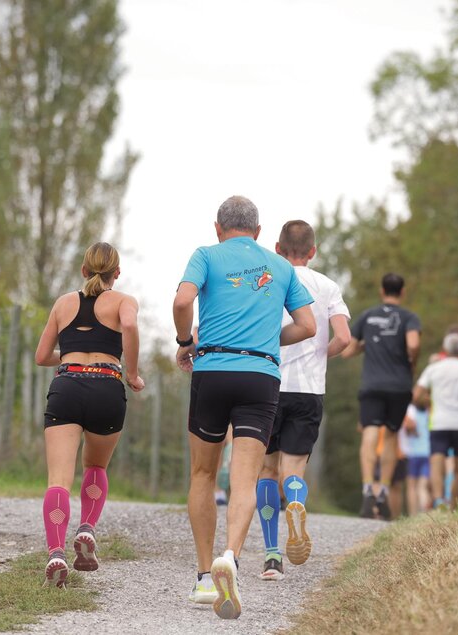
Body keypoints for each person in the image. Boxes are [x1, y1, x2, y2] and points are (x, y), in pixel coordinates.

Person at [173, 196, 316, 619]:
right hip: (261, 376)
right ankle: (231, 556)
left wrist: (185, 342)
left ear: (218, 227)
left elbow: (183, 302)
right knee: (246, 477)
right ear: (257, 231)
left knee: (202, 472)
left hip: (213, 369)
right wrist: (269, 340)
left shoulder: (206, 255)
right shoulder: (282, 267)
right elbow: (308, 326)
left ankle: (203, 576)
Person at [33, 242, 144, 587]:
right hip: (107, 387)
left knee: (58, 480)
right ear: (117, 273)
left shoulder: (63, 303)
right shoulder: (124, 301)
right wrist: (133, 373)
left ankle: (55, 552)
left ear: (83, 270)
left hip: (67, 386)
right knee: (94, 467)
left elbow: (40, 356)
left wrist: (70, 354)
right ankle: (86, 529)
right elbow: (129, 326)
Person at [255, 221, 350, 581]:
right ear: (313, 251)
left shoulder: (269, 278)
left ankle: (271, 557)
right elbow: (344, 336)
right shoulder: (328, 286)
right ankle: (295, 501)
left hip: (268, 384)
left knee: (266, 470)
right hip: (309, 390)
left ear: (278, 248)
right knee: (292, 471)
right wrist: (320, 356)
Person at [341, 273, 421, 520]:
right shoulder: (409, 317)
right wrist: (411, 364)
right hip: (399, 386)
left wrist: (366, 346)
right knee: (391, 436)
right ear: (403, 292)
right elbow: (414, 344)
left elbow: (347, 350)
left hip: (372, 385)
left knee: (370, 432)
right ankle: (384, 489)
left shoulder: (367, 315)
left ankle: (368, 488)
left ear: (381, 290)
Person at [414, 332, 458, 510]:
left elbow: (416, 395)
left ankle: (438, 501)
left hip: (439, 422)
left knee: (437, 463)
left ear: (444, 349)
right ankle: (453, 505)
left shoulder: (433, 369)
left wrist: (428, 401)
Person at [401, 401, 432, 514]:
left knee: (411, 487)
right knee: (423, 486)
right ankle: (425, 514)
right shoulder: (431, 411)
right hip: (428, 453)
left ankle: (413, 515)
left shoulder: (410, 410)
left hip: (412, 454)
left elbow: (408, 426)